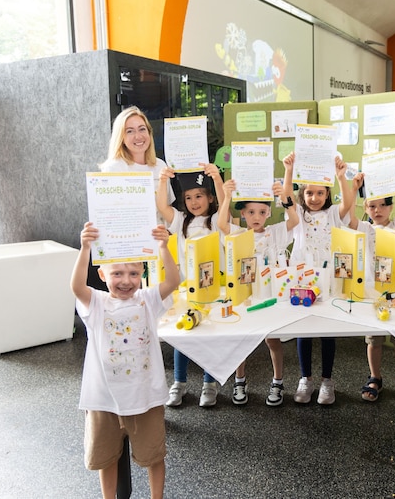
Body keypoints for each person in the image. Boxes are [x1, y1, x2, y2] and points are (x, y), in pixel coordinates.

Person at [70, 221, 180, 499]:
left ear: (142, 272)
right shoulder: (96, 303)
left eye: (133, 272)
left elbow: (173, 281)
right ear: (102, 273)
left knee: (153, 454)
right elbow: (76, 286)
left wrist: (164, 247)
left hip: (145, 396)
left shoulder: (147, 300)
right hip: (103, 399)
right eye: (117, 273)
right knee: (105, 458)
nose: (126, 281)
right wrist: (85, 248)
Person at [217, 178, 299, 406]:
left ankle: (278, 381)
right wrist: (227, 198)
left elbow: (294, 219)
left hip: (269, 296)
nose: (256, 217)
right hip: (245, 296)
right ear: (243, 214)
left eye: (262, 212)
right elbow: (222, 224)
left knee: (272, 341)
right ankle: (239, 380)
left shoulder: (275, 233)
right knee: (241, 340)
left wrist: (284, 197)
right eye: (251, 212)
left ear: (268, 213)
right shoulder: (239, 234)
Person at [283, 151, 357, 405]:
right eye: (309, 193)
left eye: (320, 193)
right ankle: (306, 378)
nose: (314, 198)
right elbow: (286, 198)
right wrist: (289, 171)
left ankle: (327, 380)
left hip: (328, 279)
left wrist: (341, 177)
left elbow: (348, 202)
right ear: (303, 195)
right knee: (304, 328)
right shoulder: (298, 216)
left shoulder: (334, 214)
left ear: (327, 194)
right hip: (302, 277)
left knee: (327, 330)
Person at [348, 164, 395, 405]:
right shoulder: (366, 228)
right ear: (365, 208)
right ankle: (375, 377)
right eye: (371, 205)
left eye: (382, 205)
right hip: (373, 291)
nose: (377, 210)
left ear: (391, 206)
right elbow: (348, 217)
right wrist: (353, 188)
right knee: (374, 338)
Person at [157, 162, 226, 408]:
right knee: (182, 336)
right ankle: (179, 382)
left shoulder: (217, 220)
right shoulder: (181, 221)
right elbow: (162, 206)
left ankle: (209, 383)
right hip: (186, 289)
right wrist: (163, 179)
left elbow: (225, 200)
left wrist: (216, 178)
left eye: (199, 196)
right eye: (188, 198)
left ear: (209, 197)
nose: (194, 202)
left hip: (212, 289)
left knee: (209, 335)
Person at [99, 106, 175, 224]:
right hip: (129, 239)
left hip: (161, 238)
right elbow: (107, 216)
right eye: (130, 131)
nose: (138, 136)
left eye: (142, 129)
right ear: (121, 137)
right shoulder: (113, 169)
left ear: (149, 133)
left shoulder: (160, 166)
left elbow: (167, 209)